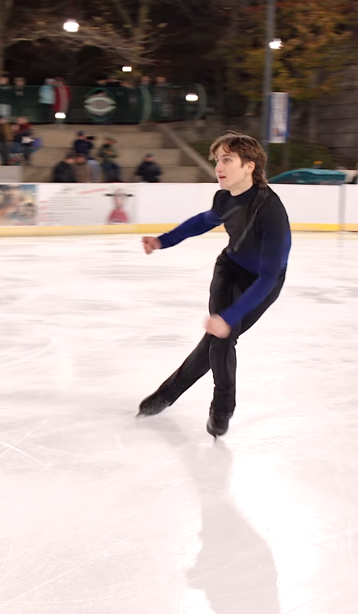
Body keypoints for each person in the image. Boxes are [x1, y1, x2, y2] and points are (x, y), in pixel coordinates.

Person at [137, 131, 291, 438]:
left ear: (250, 166)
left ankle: (194, 401)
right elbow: (202, 221)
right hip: (229, 268)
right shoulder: (224, 198)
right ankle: (199, 403)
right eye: (218, 159)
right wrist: (162, 241)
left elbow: (270, 275)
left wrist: (230, 317)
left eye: (227, 159)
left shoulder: (270, 210)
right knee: (218, 339)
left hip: (262, 282)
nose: (219, 166)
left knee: (220, 337)